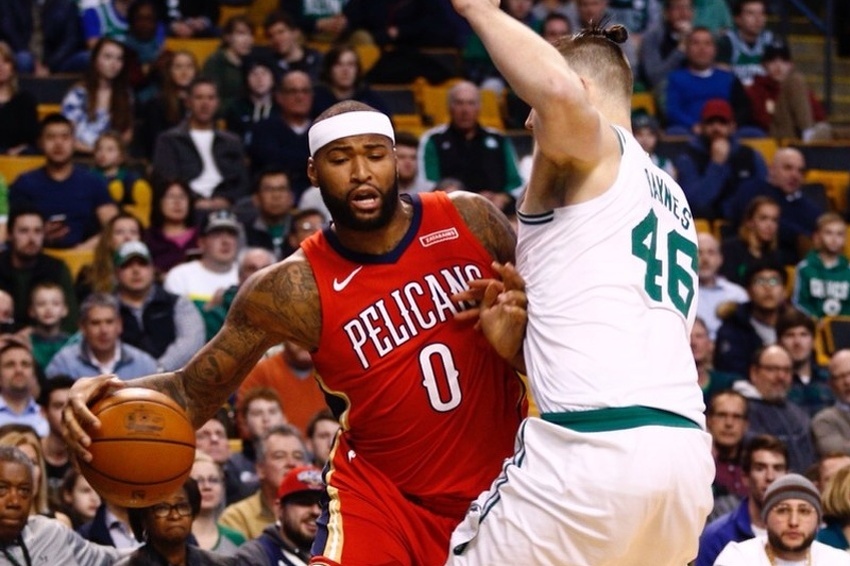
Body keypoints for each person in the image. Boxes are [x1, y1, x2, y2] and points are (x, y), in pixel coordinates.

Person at [61, 100, 526, 565]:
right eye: (340, 159)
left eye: (375, 154)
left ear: (397, 161)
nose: (361, 171)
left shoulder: (472, 221)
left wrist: (516, 348)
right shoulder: (289, 288)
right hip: (382, 499)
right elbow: (191, 391)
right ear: (313, 172)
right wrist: (103, 394)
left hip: (506, 478)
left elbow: (563, 335)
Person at [446, 4, 711, 564]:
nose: (528, 120)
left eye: (530, 106)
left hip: (593, 449)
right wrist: (518, 346)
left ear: (580, 86)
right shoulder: (670, 195)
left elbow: (559, 97)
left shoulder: (597, 152)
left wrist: (475, 9)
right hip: (684, 462)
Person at [9, 114, 119, 251]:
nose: (58, 143)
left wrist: (82, 250)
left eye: (65, 137)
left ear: (74, 142)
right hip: (36, 259)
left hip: (85, 258)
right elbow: (10, 231)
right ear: (41, 143)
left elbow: (116, 228)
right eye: (51, 137)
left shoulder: (93, 182)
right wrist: (39, 234)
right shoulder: (25, 183)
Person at [0, 445, 123, 564]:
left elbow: (117, 558)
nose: (14, 502)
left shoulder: (50, 533)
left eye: (24, 490)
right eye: (2, 489)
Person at [419, 80, 523, 209]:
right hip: (450, 211)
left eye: (471, 103)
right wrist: (470, 200)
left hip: (496, 211)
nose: (465, 110)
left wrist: (503, 197)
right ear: (450, 107)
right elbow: (427, 183)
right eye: (459, 103)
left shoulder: (499, 139)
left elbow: (516, 183)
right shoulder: (433, 140)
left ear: (479, 107)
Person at [152, 78, 250, 212]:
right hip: (187, 206)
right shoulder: (170, 139)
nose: (205, 104)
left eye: (211, 98)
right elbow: (166, 180)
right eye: (199, 98)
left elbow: (242, 182)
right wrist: (194, 200)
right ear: (188, 102)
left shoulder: (232, 141)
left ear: (217, 103)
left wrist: (225, 200)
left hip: (227, 206)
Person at [714, 473, 850, 565]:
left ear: (818, 521)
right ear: (765, 518)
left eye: (804, 511)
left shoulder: (839, 561)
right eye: (782, 510)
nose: (793, 522)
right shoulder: (738, 558)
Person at [696, 434, 789, 566]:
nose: (770, 477)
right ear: (745, 477)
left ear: (788, 476)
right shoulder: (717, 536)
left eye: (778, 468)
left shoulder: (802, 533)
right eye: (760, 468)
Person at [114, 240, 205, 372]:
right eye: (127, 265)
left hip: (173, 380)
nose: (136, 270)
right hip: (122, 383)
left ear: (152, 268)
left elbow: (191, 340)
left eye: (142, 264)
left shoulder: (177, 303)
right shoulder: (107, 309)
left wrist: (158, 369)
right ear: (117, 273)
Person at [673, 98, 768, 221]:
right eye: (710, 123)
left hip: (746, 225)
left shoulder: (750, 155)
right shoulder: (688, 157)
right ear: (701, 127)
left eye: (722, 122)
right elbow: (695, 203)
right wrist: (716, 165)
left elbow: (764, 198)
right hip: (703, 225)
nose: (716, 128)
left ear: (732, 126)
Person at [729, 148, 824, 266]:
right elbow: (746, 217)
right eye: (788, 168)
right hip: (747, 257)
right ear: (771, 169)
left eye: (800, 171)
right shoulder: (751, 190)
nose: (795, 175)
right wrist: (798, 236)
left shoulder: (811, 209)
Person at [733, 344, 817, 473]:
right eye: (772, 369)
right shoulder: (739, 411)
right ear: (754, 372)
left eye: (787, 370)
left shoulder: (799, 414)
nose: (781, 376)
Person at [219, 424, 309, 540]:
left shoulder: (321, 514)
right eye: (279, 456)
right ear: (260, 469)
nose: (291, 463)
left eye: (298, 456)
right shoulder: (236, 517)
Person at [0, 205, 78, 332]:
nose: (32, 239)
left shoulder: (57, 268)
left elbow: (70, 324)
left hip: (48, 344)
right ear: (10, 235)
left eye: (37, 231)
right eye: (24, 231)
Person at [46, 292, 158, 381]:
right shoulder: (64, 364)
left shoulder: (144, 365)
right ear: (82, 327)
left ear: (119, 325)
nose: (103, 330)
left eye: (109, 322)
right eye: (95, 323)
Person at [119, 478, 230, 566]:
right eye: (162, 508)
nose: (175, 516)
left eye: (182, 507)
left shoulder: (219, 564)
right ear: (143, 518)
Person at [233, 464, 324, 566]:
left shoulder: (336, 553)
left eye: (323, 505)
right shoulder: (254, 557)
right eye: (304, 502)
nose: (316, 511)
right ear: (279, 509)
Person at [246, 70, 314, 197]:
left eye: (305, 91)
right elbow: (271, 162)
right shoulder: (263, 129)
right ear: (279, 97)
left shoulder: (320, 130)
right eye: (292, 91)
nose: (299, 97)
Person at [61, 37, 133, 155]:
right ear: (95, 59)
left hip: (113, 160)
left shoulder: (126, 94)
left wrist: (111, 153)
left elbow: (127, 134)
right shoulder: (78, 94)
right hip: (80, 157)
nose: (114, 64)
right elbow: (66, 135)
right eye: (108, 57)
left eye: (119, 59)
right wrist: (96, 152)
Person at [746, 40, 831, 141]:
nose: (778, 66)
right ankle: (808, 134)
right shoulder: (756, 88)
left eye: (784, 61)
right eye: (772, 61)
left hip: (799, 132)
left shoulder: (799, 88)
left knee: (827, 129)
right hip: (776, 133)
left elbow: (820, 116)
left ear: (791, 65)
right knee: (795, 80)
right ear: (764, 65)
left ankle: (808, 134)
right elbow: (762, 120)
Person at [236, 342, 326, 435]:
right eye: (297, 335)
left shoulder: (335, 374)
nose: (304, 342)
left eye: (311, 335)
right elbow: (244, 425)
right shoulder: (260, 373)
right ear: (284, 336)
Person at [162, 209, 240, 309]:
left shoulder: (248, 276)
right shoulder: (179, 276)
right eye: (217, 234)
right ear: (201, 243)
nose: (226, 241)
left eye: (231, 234)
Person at [137, 50, 199, 158]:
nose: (184, 72)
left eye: (189, 67)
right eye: (178, 67)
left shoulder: (203, 103)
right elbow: (155, 143)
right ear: (170, 72)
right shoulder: (156, 105)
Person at [792, 212, 850, 319]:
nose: (834, 239)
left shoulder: (848, 271)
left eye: (839, 234)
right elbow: (800, 303)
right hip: (813, 327)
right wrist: (815, 320)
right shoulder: (805, 268)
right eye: (829, 233)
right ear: (817, 237)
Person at [777, 308, 833, 417]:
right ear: (779, 342)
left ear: (813, 342)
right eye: (790, 335)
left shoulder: (830, 378)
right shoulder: (775, 381)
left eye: (804, 335)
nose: (797, 342)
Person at [719, 196, 785, 286]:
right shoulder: (729, 250)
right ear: (749, 222)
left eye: (774, 220)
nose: (770, 225)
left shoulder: (775, 256)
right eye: (763, 218)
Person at [92, 131, 153, 227]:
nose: (103, 153)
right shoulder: (90, 176)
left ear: (121, 156)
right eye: (99, 149)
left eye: (110, 150)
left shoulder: (129, 176)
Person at [190, 450, 245, 555]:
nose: (207, 486)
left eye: (214, 480)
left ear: (223, 487)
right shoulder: (175, 537)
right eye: (199, 480)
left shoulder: (236, 540)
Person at [697, 233, 749, 340]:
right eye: (699, 252)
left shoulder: (737, 294)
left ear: (720, 259)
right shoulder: (680, 294)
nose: (705, 259)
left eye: (711, 253)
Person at [143, 179, 199, 275]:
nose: (177, 202)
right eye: (171, 197)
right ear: (159, 203)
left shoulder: (202, 236)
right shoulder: (149, 237)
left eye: (182, 197)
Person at [201, 16, 255, 114]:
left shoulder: (252, 62)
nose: (247, 40)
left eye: (250, 34)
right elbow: (210, 101)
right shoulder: (215, 62)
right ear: (228, 37)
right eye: (241, 34)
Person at [715, 0, 775, 87]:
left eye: (761, 13)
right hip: (735, 95)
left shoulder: (771, 40)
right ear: (738, 19)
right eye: (751, 14)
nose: (758, 19)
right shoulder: (726, 42)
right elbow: (722, 78)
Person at [637, 0, 694, 91]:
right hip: (665, 89)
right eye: (677, 8)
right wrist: (680, 50)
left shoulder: (698, 36)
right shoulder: (653, 37)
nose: (684, 13)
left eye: (687, 8)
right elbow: (654, 78)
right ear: (666, 13)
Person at [36, 375, 74, 501]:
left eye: (71, 406)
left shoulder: (87, 456)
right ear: (44, 412)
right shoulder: (31, 452)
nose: (65, 413)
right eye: (58, 406)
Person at [0, 340, 48, 436]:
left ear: (34, 373)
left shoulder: (47, 417)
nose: (19, 370)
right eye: (10, 365)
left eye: (25, 364)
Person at [0, 41, 39, 156]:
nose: (1, 67)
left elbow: (33, 141)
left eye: (6, 61)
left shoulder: (25, 101)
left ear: (12, 67)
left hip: (19, 163)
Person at [812, 349, 850, 457]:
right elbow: (837, 453)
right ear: (831, 384)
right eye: (840, 377)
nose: (847, 381)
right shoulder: (824, 420)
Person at [25, 283, 72, 371]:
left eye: (55, 304)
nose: (48, 309)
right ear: (31, 310)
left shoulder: (72, 344)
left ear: (65, 309)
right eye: (41, 304)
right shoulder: (25, 343)